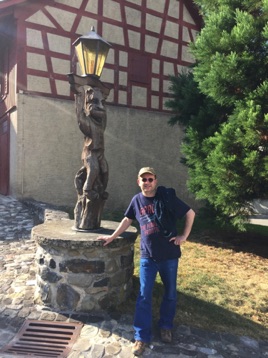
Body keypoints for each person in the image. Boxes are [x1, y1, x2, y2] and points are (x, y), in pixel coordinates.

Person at [98, 167, 195, 356]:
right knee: (144, 296)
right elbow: (128, 219)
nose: (147, 182)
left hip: (169, 255)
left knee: (170, 293)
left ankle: (165, 326)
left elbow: (190, 213)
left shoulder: (166, 197)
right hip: (147, 256)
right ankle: (141, 337)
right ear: (138, 182)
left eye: (150, 179)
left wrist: (184, 236)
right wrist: (112, 237)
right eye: (144, 180)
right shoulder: (136, 200)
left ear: (155, 181)